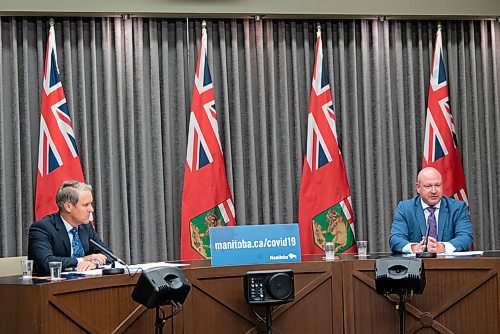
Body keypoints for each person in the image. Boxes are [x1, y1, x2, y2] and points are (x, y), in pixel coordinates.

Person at [28, 180, 109, 275]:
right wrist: (82, 260)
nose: (91, 209)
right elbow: (46, 262)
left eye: (90, 204)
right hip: (51, 285)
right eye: (86, 205)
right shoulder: (42, 228)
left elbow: (107, 255)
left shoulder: (85, 226)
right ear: (68, 207)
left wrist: (94, 263)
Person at [389, 167, 472, 254]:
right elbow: (395, 239)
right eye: (428, 186)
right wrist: (415, 248)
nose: (434, 191)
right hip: (418, 265)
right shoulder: (405, 208)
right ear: (418, 187)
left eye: (437, 185)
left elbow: (465, 237)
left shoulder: (457, 208)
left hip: (449, 265)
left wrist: (442, 247)